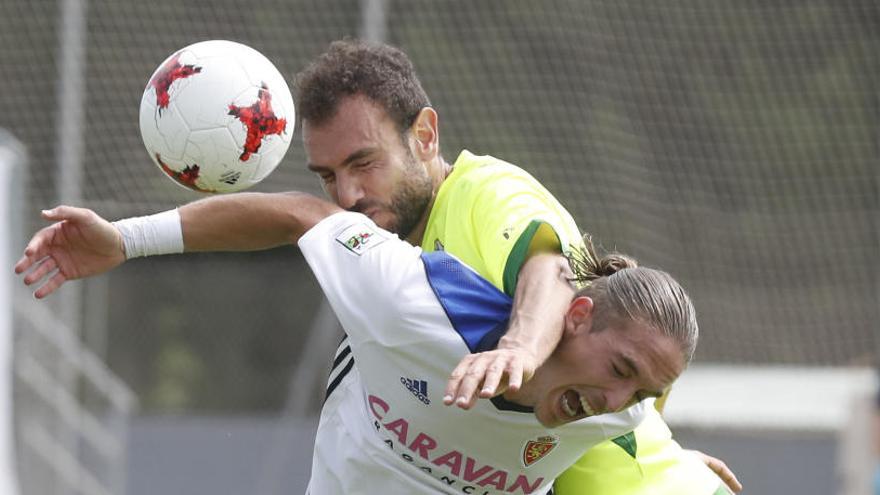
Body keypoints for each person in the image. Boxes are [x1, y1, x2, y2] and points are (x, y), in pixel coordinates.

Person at [17, 194, 696, 493]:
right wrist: (128, 238)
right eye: (621, 368)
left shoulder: (621, 413)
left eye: (640, 390)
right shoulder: (414, 304)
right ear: (577, 316)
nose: (617, 398)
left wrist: (686, 472)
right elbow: (302, 216)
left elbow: (644, 445)